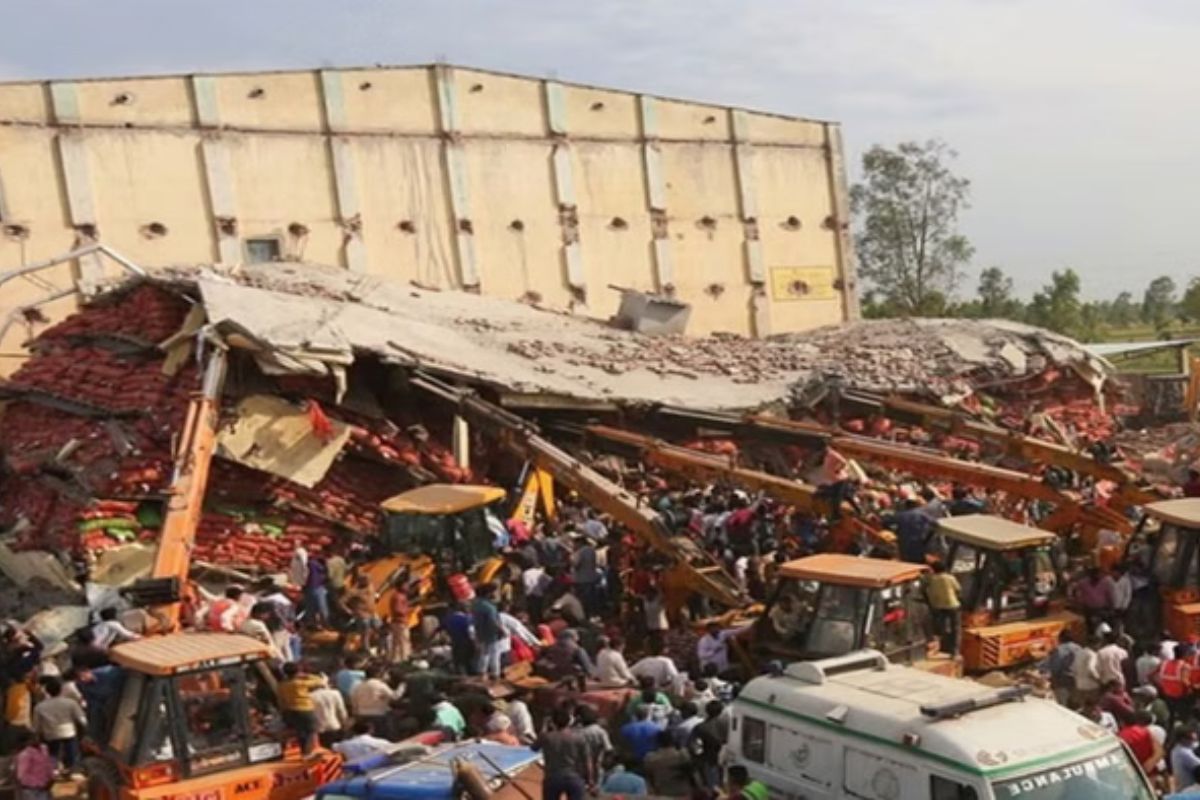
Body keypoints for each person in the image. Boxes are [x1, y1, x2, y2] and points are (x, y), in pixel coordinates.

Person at [536, 706, 595, 800]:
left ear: (553, 722)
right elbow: (587, 761)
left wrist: (544, 726)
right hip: (574, 777)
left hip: (552, 778)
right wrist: (590, 779)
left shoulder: (547, 737)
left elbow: (534, 747)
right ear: (569, 721)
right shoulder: (579, 738)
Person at [277, 662, 322, 755]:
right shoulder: (300, 683)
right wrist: (306, 675)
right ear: (297, 671)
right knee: (311, 730)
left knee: (300, 732)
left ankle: (304, 751)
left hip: (291, 710)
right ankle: (309, 752)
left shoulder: (282, 685)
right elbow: (319, 681)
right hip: (305, 709)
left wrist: (283, 711)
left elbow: (281, 700)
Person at [643, 729, 696, 796]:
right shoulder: (683, 755)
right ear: (674, 741)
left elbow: (649, 778)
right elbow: (693, 775)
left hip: (662, 793)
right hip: (684, 792)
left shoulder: (650, 759)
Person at [926, 561, 962, 656]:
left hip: (939, 606)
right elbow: (958, 589)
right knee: (956, 628)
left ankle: (938, 648)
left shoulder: (932, 580)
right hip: (953, 605)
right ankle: (955, 652)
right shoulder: (950, 578)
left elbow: (931, 594)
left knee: (939, 628)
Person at [349, 664, 397, 735]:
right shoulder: (380, 685)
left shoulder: (358, 686)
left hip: (362, 714)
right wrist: (402, 687)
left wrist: (355, 713)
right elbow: (394, 697)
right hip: (379, 714)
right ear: (378, 674)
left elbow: (353, 700)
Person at [472, 583, 505, 681]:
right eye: (494, 592)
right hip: (491, 634)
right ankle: (495, 674)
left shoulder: (476, 604)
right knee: (495, 654)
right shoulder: (489, 607)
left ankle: (482, 673)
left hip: (480, 633)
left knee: (484, 654)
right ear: (488, 593)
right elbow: (493, 621)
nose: (495, 594)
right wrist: (501, 630)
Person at [13, 731, 55, 800]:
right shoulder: (25, 754)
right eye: (33, 739)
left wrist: (51, 777)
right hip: (31, 787)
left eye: (37, 737)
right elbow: (22, 773)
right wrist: (35, 784)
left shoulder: (44, 748)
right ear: (27, 741)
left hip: (45, 784)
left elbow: (48, 764)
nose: (36, 740)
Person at [1119, 710, 1163, 775]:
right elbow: (1160, 751)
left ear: (1122, 722)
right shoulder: (1145, 731)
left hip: (1133, 775)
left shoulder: (1120, 737)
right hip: (1151, 773)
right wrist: (1150, 763)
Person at [311, 673, 349, 747]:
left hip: (319, 728)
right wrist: (345, 724)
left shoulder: (311, 696)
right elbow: (341, 711)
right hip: (335, 725)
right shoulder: (335, 693)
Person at [1172, 726, 1200, 792]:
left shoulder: (1176, 749)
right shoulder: (1183, 753)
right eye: (1191, 739)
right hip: (1189, 789)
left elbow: (1195, 745)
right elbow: (1198, 765)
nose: (1193, 741)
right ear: (1183, 739)